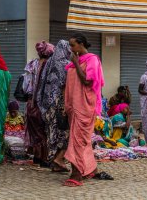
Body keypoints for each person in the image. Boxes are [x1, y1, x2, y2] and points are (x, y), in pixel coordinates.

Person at [63, 33, 112, 187]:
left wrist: (77, 63)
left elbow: (87, 80)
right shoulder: (73, 63)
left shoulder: (92, 60)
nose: (71, 48)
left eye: (73, 45)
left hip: (84, 107)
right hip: (74, 107)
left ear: (81, 44)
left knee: (77, 141)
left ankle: (76, 175)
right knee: (81, 141)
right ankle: (91, 169)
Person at [36, 40, 71, 172]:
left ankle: (56, 163)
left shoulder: (49, 63)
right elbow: (65, 86)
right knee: (65, 133)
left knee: (52, 133)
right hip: (60, 104)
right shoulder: (66, 65)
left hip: (47, 105)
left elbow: (42, 82)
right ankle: (59, 159)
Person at [23, 41, 54, 167]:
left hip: (30, 103)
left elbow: (26, 85)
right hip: (41, 104)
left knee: (35, 130)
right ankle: (43, 158)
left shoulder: (32, 64)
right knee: (43, 131)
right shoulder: (49, 65)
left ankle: (36, 156)